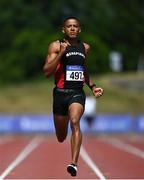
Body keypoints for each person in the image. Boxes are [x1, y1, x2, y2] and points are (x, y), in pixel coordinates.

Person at [43, 17, 104, 177]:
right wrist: (61, 53)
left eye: (75, 26)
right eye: (69, 26)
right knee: (61, 137)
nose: (72, 28)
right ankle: (64, 138)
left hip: (77, 93)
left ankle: (74, 163)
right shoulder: (55, 46)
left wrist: (93, 86)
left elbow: (83, 70)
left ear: (79, 29)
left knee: (75, 122)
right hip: (60, 94)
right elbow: (47, 72)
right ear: (63, 30)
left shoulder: (85, 47)